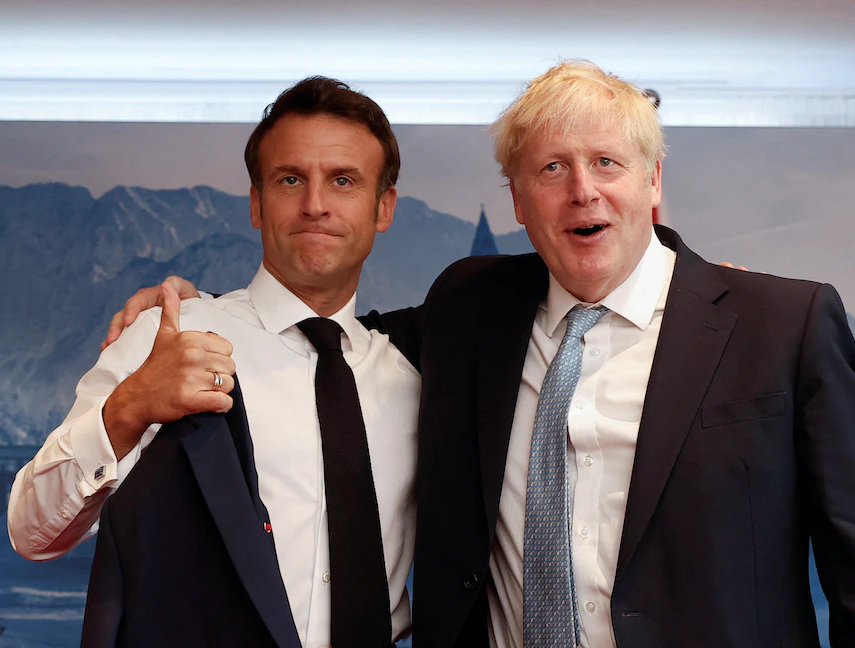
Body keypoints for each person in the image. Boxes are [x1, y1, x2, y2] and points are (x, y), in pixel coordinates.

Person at [46, 61, 855, 647]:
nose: (583, 190)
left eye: (607, 162)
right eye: (552, 169)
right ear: (518, 202)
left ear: (652, 182)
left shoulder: (779, 325)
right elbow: (319, 332)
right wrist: (187, 313)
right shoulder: (472, 312)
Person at [8, 77, 419, 648]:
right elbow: (33, 532)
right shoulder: (168, 338)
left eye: (343, 181)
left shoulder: (419, 375)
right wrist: (128, 408)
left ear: (383, 207)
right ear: (256, 203)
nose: (315, 204)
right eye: (290, 179)